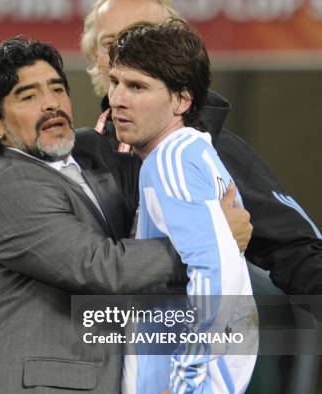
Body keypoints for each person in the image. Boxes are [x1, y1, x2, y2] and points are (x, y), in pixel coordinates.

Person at [0, 36, 249, 394]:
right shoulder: (11, 181)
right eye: (28, 96)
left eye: (57, 89)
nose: (51, 104)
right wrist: (208, 244)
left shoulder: (87, 164)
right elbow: (97, 266)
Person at [81, 0, 322, 295]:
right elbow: (75, 264)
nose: (127, 51)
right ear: (95, 56)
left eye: (144, 36)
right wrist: (215, 240)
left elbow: (297, 251)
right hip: (93, 336)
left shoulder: (215, 150)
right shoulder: (72, 156)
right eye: (111, 43)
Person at [106, 19, 256, 394]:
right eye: (114, 82)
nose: (117, 98)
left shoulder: (170, 158)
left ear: (182, 100)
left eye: (137, 86)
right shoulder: (198, 156)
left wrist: (181, 384)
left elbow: (216, 274)